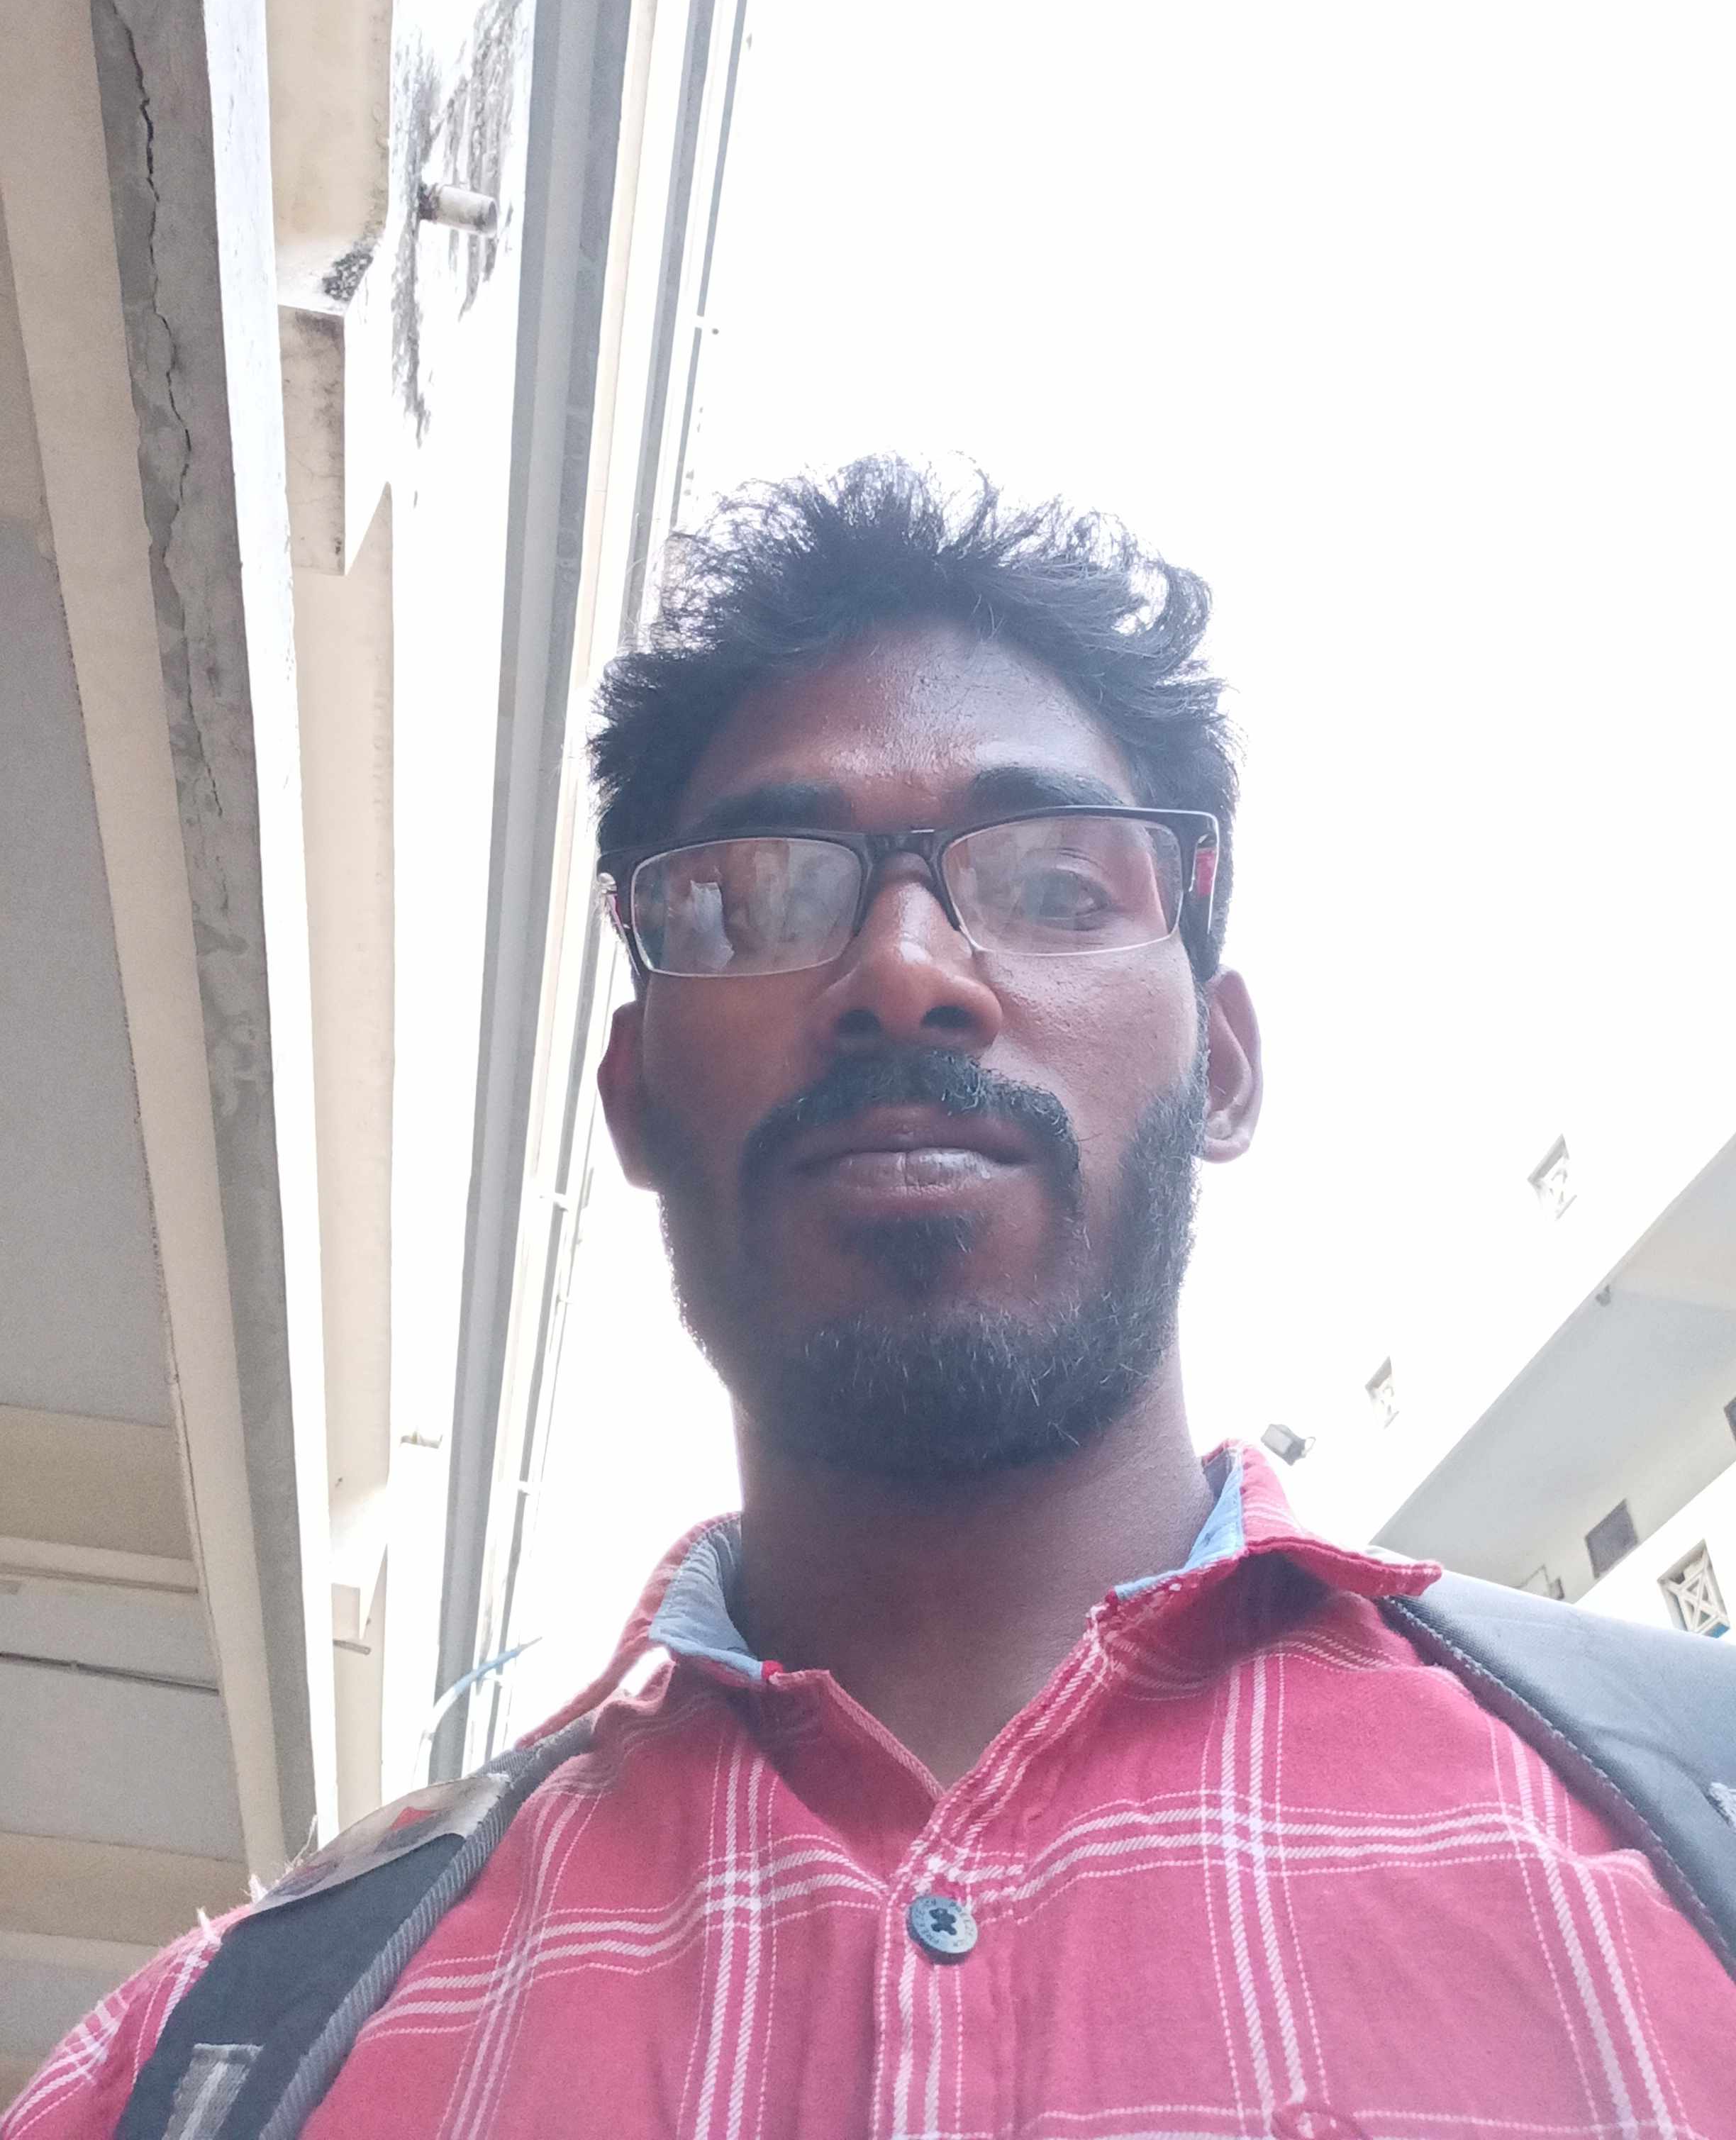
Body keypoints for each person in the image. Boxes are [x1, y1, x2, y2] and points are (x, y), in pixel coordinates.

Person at [11, 459, 1735, 2137]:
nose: (904, 971)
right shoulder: (206, 2062)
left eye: (1054, 883)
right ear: (634, 1100)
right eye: (760, 895)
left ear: (1219, 1067)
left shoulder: (1691, 1841)